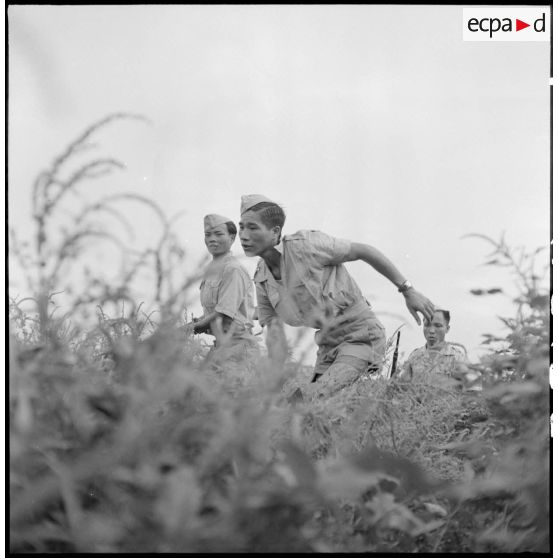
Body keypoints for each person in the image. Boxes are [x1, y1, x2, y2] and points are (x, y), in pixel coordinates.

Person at [237, 194, 436, 397]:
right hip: (327, 344)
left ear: (275, 232)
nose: (243, 235)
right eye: (241, 227)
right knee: (312, 409)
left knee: (313, 397)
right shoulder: (261, 277)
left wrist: (407, 290)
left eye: (252, 228)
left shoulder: (305, 245)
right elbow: (274, 332)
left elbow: (363, 251)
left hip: (360, 335)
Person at [187, 214, 259, 365]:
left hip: (238, 349)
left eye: (219, 234)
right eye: (208, 235)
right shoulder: (211, 271)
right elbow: (214, 311)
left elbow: (222, 315)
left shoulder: (233, 270)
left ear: (232, 238)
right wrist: (193, 323)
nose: (212, 239)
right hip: (221, 346)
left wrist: (188, 330)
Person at [398, 309, 480, 390]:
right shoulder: (415, 356)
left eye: (438, 326)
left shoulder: (457, 358)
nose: (431, 331)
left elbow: (474, 388)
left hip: (446, 403)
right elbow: (402, 387)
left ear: (447, 329)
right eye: (427, 325)